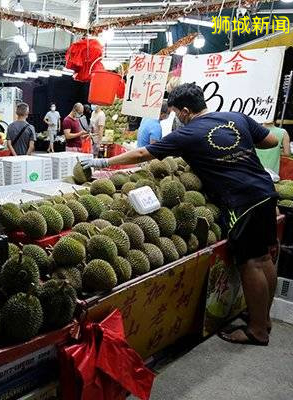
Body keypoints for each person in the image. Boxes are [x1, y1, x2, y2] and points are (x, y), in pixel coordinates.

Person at [82, 83, 279, 346]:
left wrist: (103, 162)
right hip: (265, 191)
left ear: (185, 111)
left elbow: (143, 153)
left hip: (241, 201)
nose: (176, 117)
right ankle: (263, 319)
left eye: (176, 113)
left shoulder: (188, 133)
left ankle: (257, 331)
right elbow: (271, 140)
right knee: (265, 258)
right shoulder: (236, 117)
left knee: (250, 262)